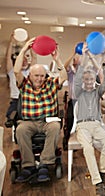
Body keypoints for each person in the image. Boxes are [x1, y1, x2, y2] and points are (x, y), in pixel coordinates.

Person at [14, 37, 67, 183]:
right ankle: (28, 166)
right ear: (30, 75)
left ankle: (45, 163)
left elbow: (63, 76)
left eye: (42, 76)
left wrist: (57, 60)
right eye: (36, 76)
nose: (39, 79)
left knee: (55, 127)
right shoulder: (24, 84)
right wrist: (24, 49)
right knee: (20, 129)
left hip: (47, 121)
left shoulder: (50, 84)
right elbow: (16, 70)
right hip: (29, 122)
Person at [74, 43, 105, 196]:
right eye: (87, 79)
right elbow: (78, 76)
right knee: (88, 149)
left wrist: (102, 60)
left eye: (92, 79)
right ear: (83, 81)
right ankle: (98, 182)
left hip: (97, 125)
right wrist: (85, 56)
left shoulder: (98, 91)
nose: (89, 81)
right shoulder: (79, 91)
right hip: (83, 126)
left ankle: (102, 171)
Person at [5, 33, 35, 127]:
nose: (24, 60)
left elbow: (34, 57)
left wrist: (29, 44)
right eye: (22, 59)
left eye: (26, 58)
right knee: (11, 116)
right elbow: (8, 57)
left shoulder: (31, 71)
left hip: (28, 99)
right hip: (16, 100)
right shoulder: (12, 71)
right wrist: (11, 42)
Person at [62, 49, 81, 149]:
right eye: (75, 59)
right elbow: (64, 66)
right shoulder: (71, 72)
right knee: (69, 118)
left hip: (82, 102)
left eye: (78, 59)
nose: (76, 60)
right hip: (73, 100)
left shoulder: (84, 72)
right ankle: (67, 137)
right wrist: (73, 53)